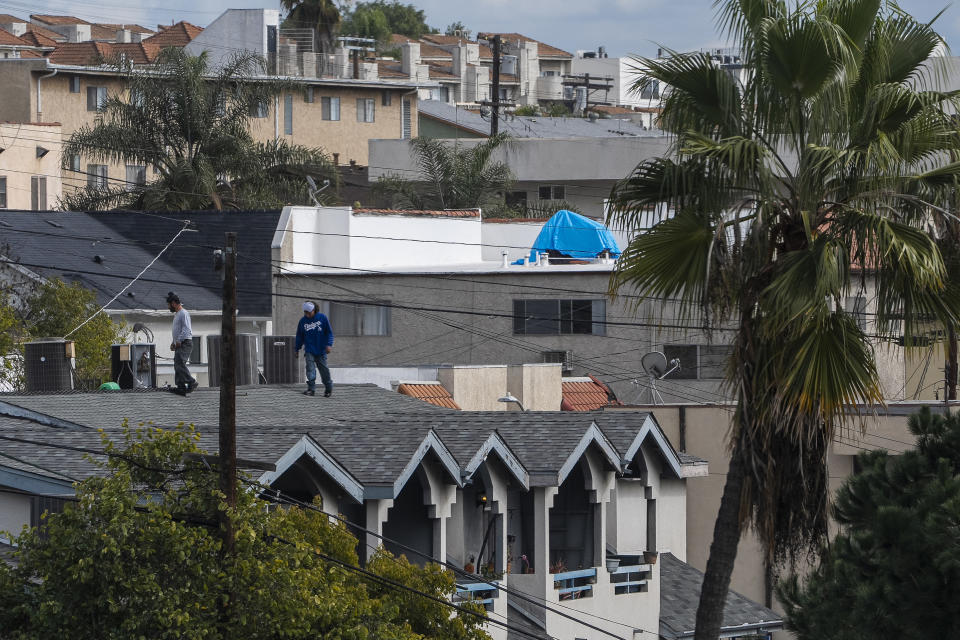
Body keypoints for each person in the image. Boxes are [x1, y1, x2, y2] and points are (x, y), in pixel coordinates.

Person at [295, 301, 334, 397]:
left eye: (309, 312)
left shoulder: (322, 318)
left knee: (324, 371)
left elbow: (329, 333)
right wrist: (296, 349)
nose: (307, 314)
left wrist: (329, 345)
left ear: (314, 310)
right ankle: (311, 389)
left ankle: (328, 389)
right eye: (305, 312)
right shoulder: (302, 321)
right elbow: (299, 336)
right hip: (309, 350)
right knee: (310, 369)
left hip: (321, 350)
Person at [167, 291, 198, 396]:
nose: (168, 307)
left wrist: (179, 340)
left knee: (180, 363)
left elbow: (186, 329)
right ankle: (180, 386)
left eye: (169, 304)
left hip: (185, 343)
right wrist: (174, 342)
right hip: (180, 343)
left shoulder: (184, 313)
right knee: (177, 364)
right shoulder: (177, 315)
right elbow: (178, 330)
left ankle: (191, 382)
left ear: (174, 303)